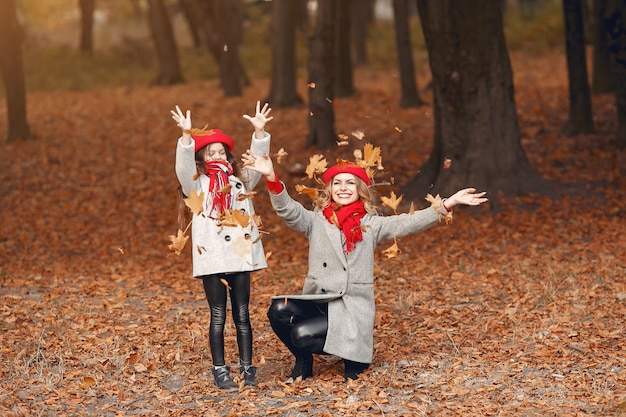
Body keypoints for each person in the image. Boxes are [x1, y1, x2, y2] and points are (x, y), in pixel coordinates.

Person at [241, 150, 488, 381]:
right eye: (337, 183)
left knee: (302, 335)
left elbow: (408, 222)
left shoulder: (371, 224)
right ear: (329, 190)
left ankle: (352, 354)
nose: (343, 188)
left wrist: (448, 203)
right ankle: (304, 361)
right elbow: (288, 209)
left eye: (350, 183)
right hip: (320, 300)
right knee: (279, 310)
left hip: (349, 305)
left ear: (360, 189)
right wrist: (271, 177)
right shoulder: (316, 220)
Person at [171, 101, 273, 390]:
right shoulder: (196, 183)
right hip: (213, 258)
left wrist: (260, 133)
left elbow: (259, 164)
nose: (217, 155)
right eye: (210, 152)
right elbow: (183, 165)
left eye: (221, 151)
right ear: (201, 157)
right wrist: (186, 138)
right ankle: (220, 369)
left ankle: (247, 367)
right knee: (218, 315)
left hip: (240, 256)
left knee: (242, 313)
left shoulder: (240, 180)